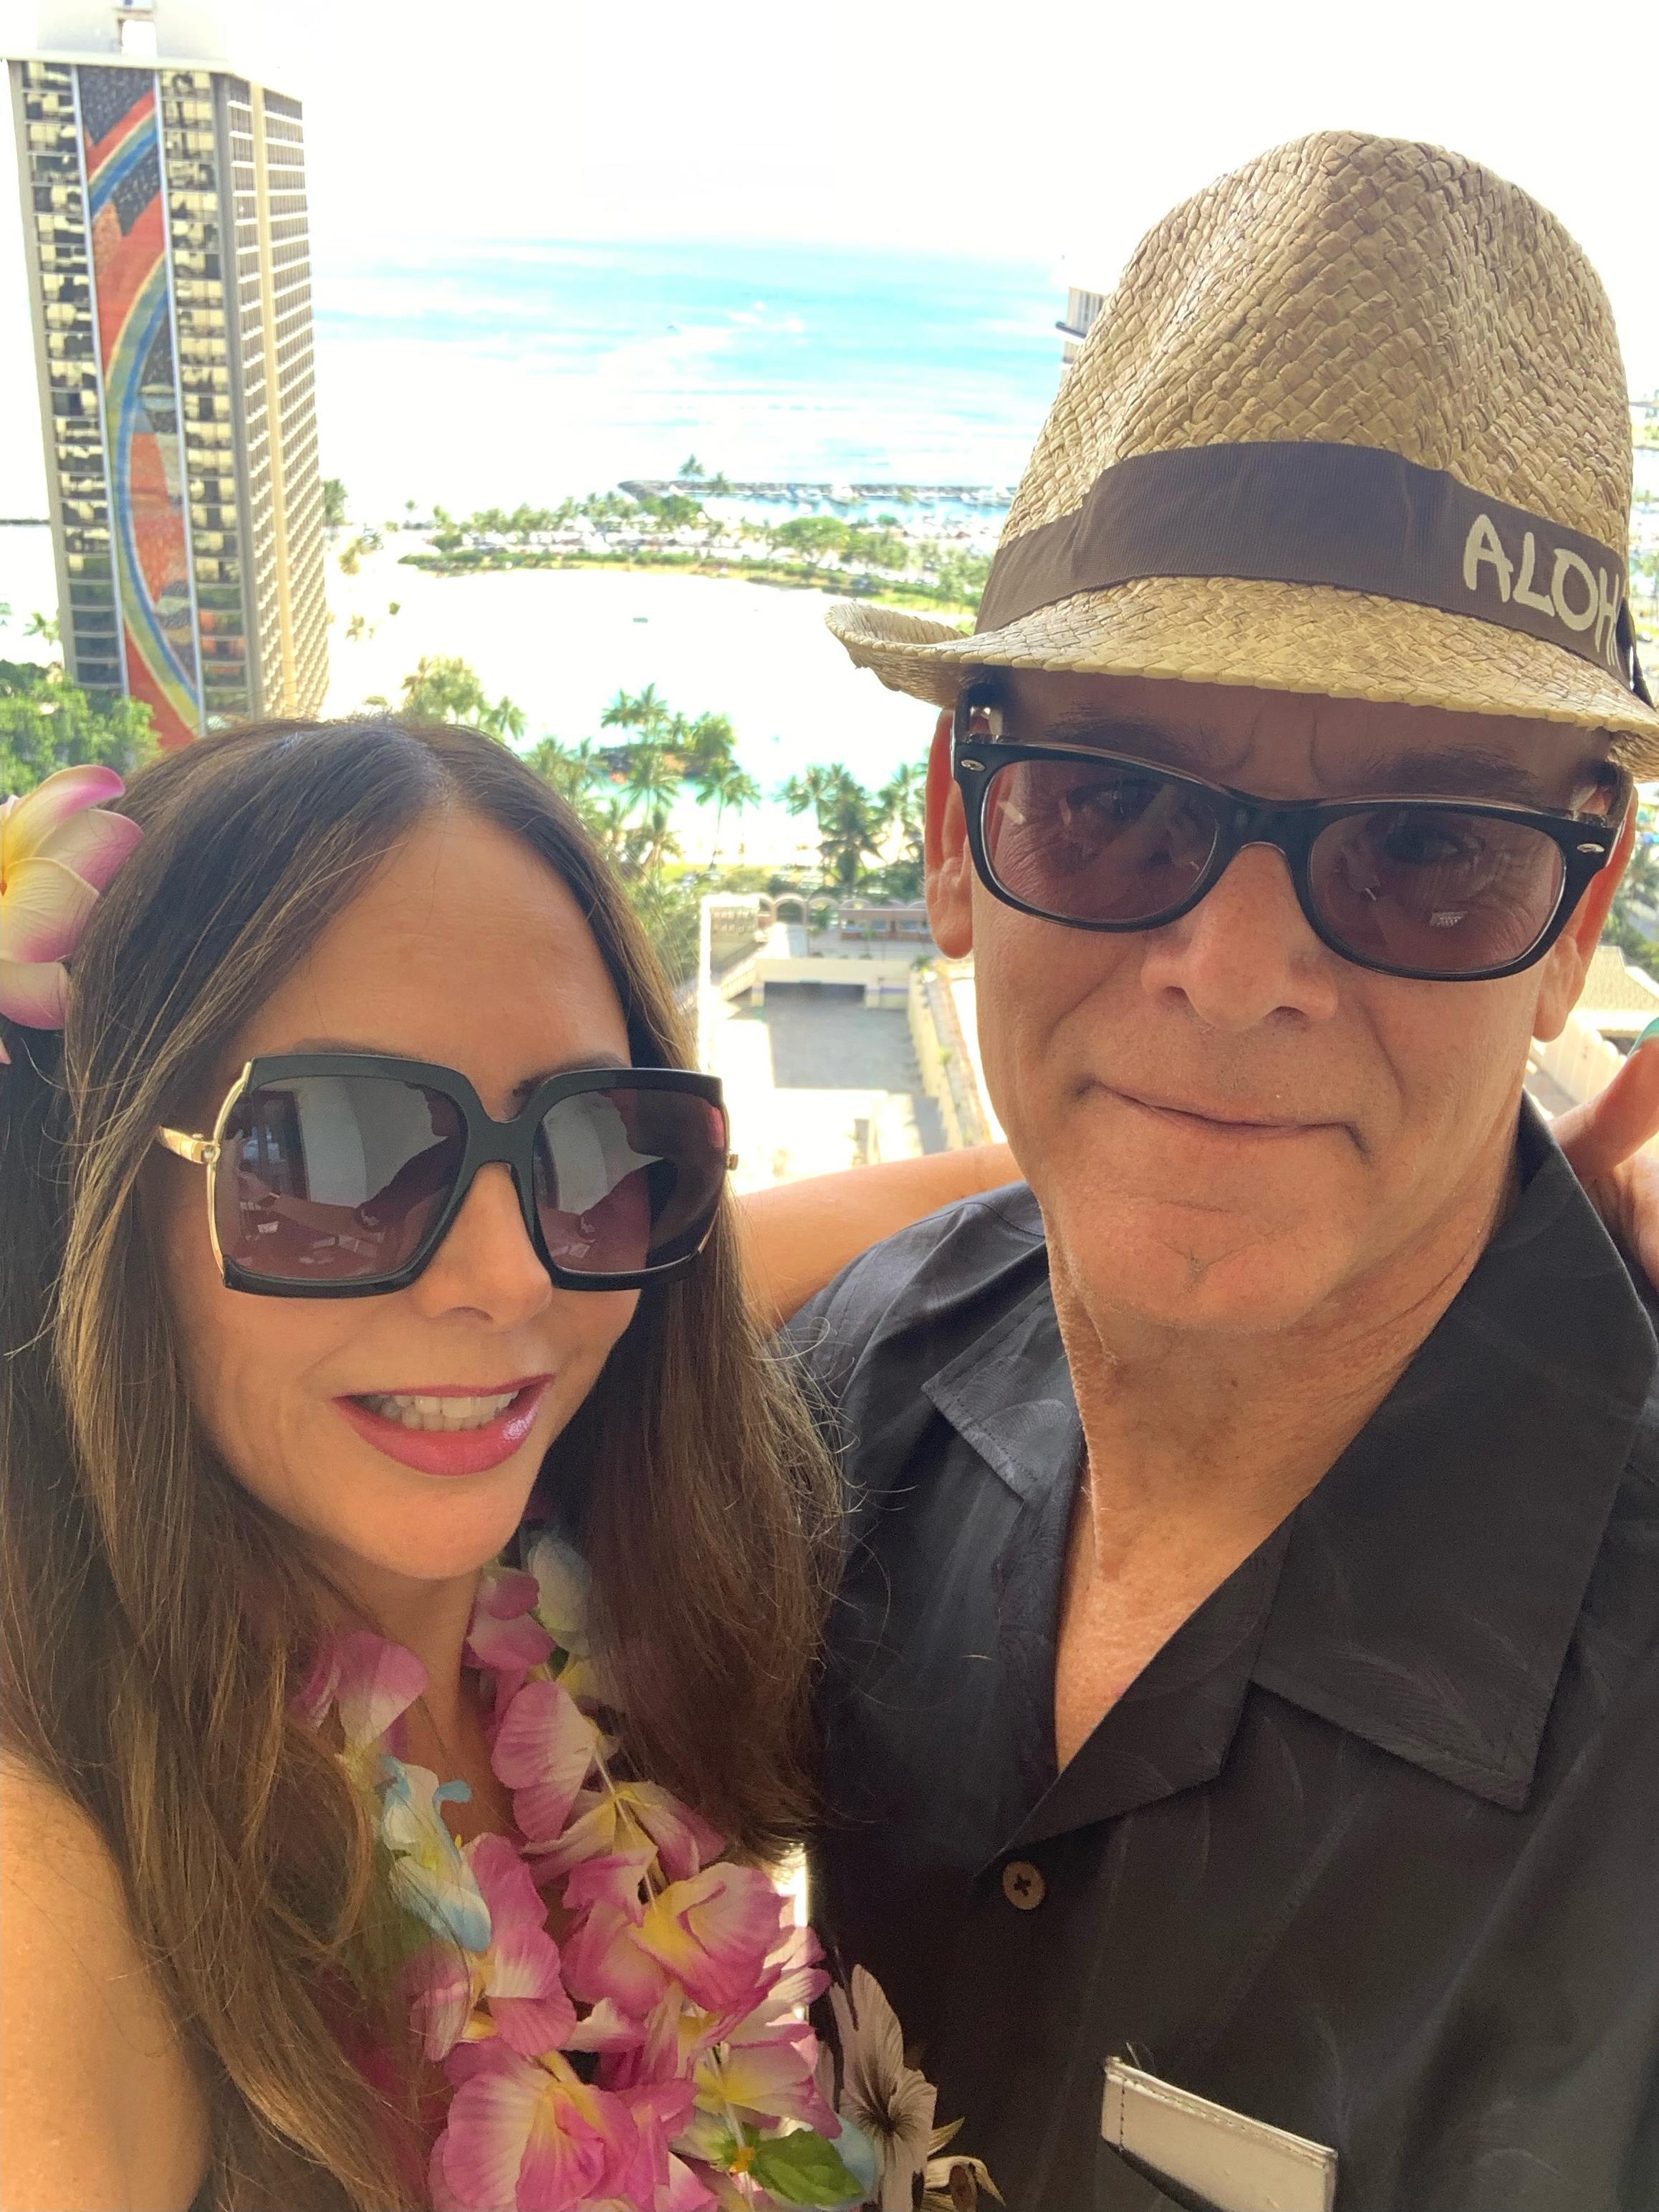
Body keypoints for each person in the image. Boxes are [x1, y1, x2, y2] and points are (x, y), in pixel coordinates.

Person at [795, 132, 1659, 2210]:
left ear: (1572, 920)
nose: (1239, 971)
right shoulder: (852, 1395)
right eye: (1109, 805)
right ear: (951, 834)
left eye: (1426, 853)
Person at [0, 720, 1012, 2212]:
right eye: (334, 1152)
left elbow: (757, 1253)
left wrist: (1142, 1151)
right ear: (93, 1186)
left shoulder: (563, 1563)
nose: (506, 1272)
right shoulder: (61, 1912)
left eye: (592, 1143)